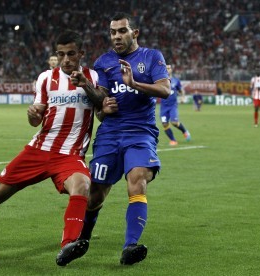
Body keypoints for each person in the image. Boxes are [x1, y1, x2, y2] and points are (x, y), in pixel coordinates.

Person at [0, 30, 113, 267]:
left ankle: (68, 246)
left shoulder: (93, 77)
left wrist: (84, 85)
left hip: (70, 155)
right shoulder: (45, 78)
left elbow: (102, 107)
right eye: (61, 54)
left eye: (71, 54)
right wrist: (32, 114)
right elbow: (36, 118)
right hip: (39, 150)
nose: (66, 59)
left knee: (82, 186)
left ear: (80, 54)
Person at [78, 12, 171, 265]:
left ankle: (130, 246)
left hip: (140, 133)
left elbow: (165, 89)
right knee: (96, 192)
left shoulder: (152, 57)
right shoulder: (104, 62)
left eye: (121, 31)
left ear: (134, 33)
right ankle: (82, 239)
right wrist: (99, 102)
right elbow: (101, 103)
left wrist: (134, 83)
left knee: (137, 179)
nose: (116, 36)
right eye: (112, 32)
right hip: (110, 134)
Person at [160, 64, 191, 146]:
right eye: (165, 68)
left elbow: (181, 90)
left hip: (172, 105)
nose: (167, 69)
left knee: (174, 122)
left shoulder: (175, 80)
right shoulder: (159, 81)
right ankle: (173, 140)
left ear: (171, 70)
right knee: (164, 123)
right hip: (163, 106)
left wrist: (182, 97)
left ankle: (184, 131)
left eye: (169, 68)